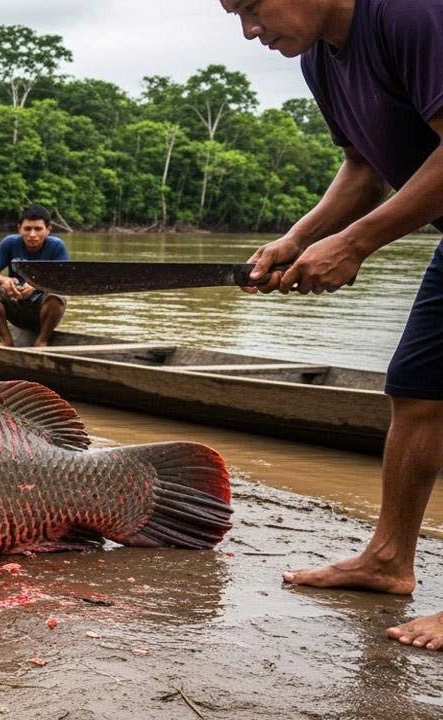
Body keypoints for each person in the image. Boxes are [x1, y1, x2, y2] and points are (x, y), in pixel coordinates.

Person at [222, 0, 443, 651]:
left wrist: (354, 244)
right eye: (235, 16)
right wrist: (297, 239)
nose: (250, 31)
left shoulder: (410, 15)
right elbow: (364, 168)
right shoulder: (320, 58)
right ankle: (388, 560)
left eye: (253, 7)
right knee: (418, 389)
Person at [0, 204, 69, 347]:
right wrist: (4, 280)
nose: (32, 234)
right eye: (27, 229)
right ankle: (6, 340)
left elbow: (64, 279)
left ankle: (41, 341)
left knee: (57, 295)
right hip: (16, 305)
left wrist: (35, 285)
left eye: (38, 229)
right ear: (19, 228)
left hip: (42, 311)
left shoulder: (56, 246)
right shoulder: (10, 243)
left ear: (48, 230)